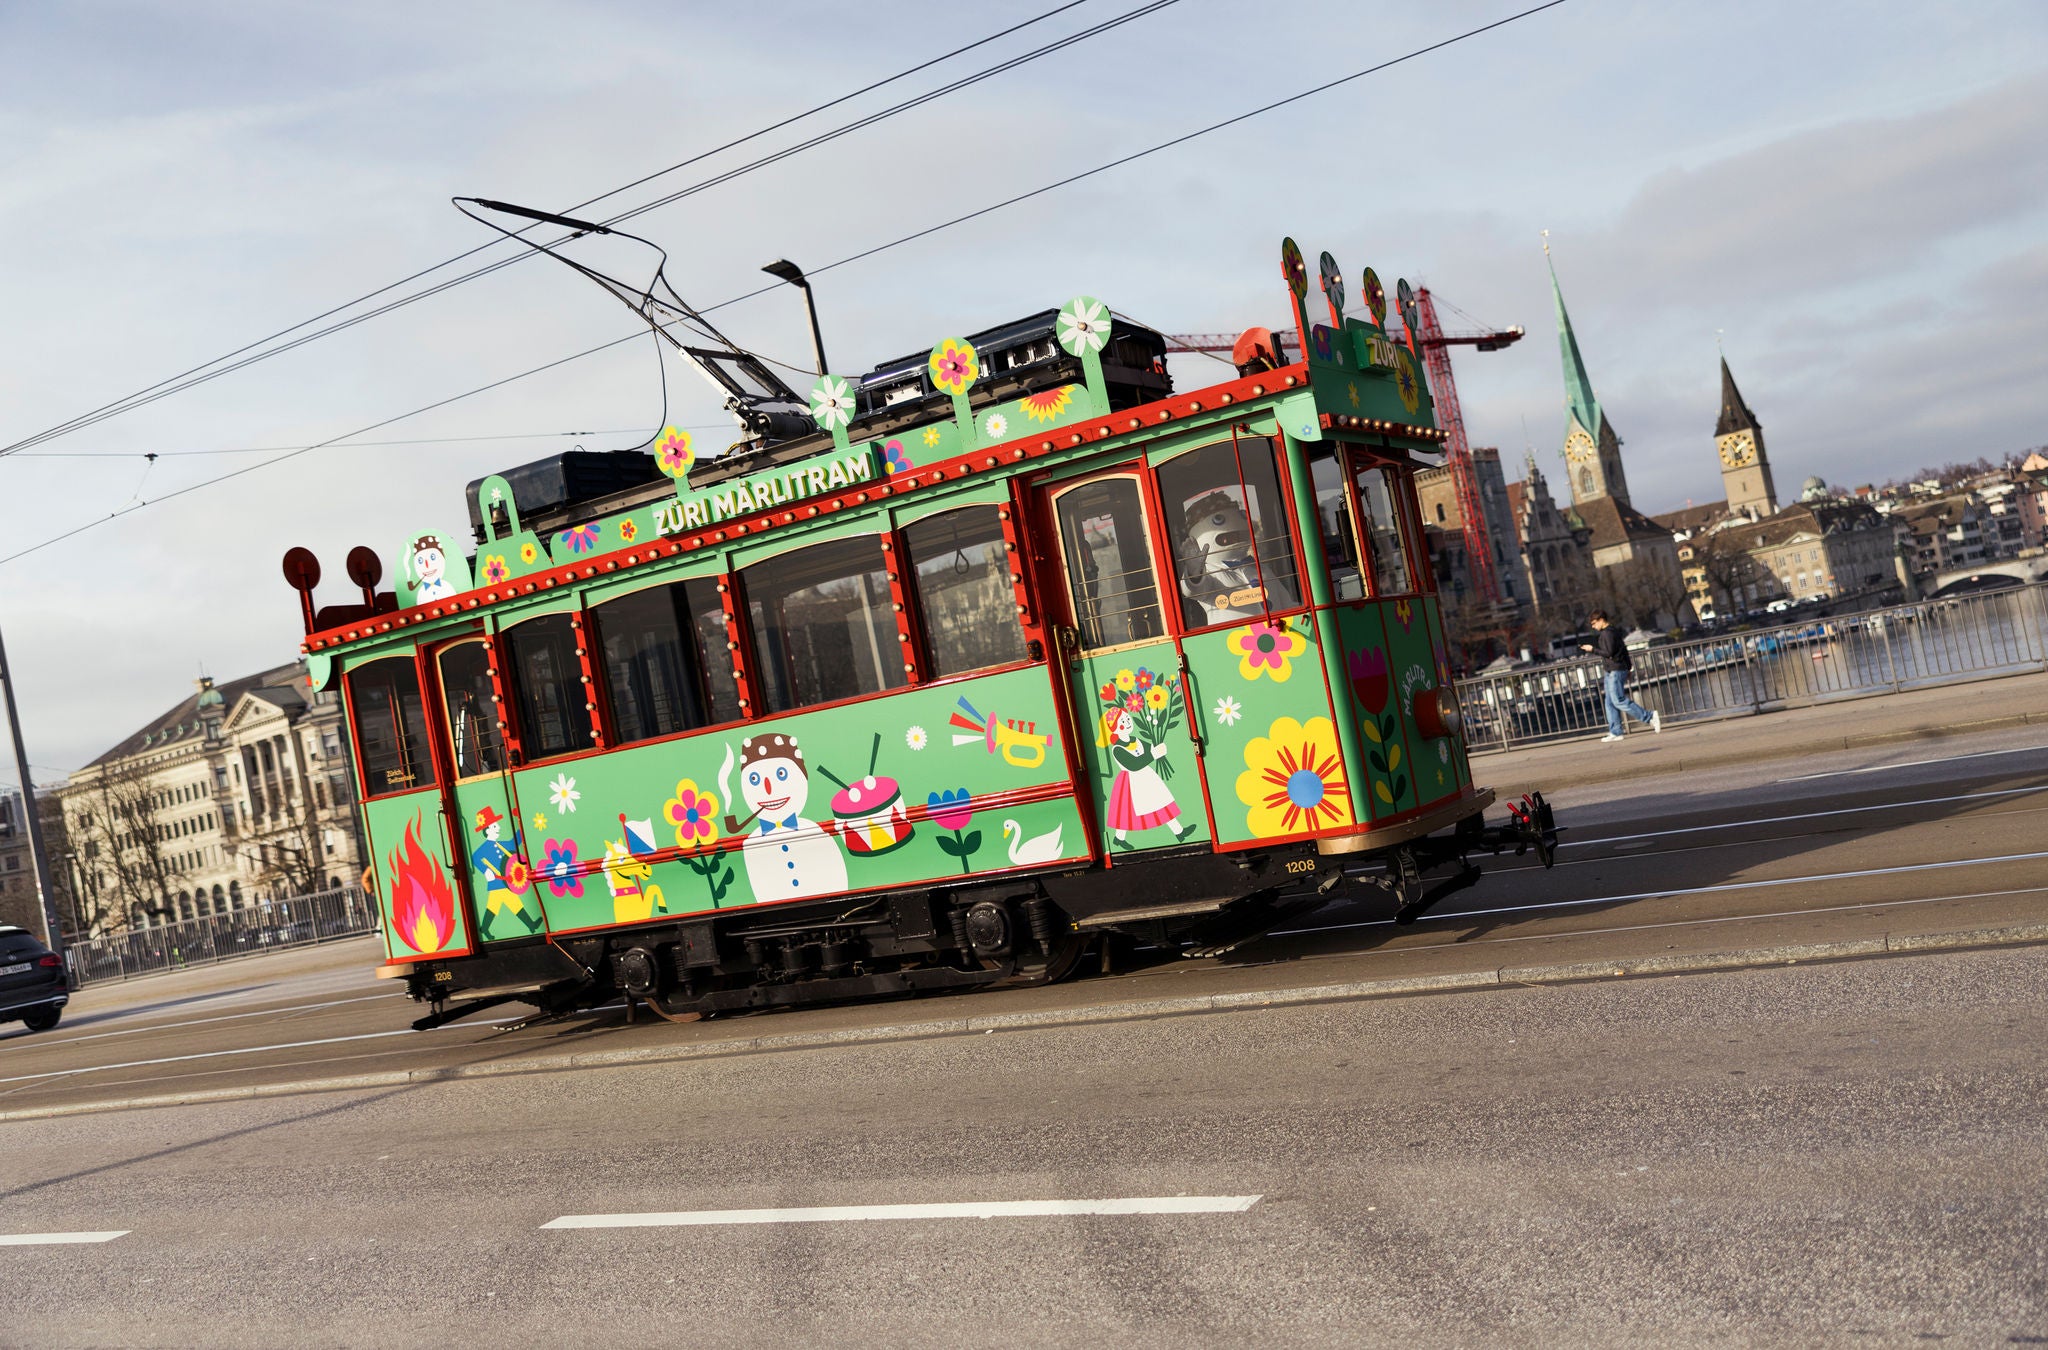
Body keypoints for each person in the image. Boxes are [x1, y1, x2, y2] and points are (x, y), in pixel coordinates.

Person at [1579, 612, 1660, 743]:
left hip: (1615, 670)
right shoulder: (1613, 631)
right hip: (1612, 670)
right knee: (1609, 702)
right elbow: (1623, 650)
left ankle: (1649, 716)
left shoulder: (1607, 633)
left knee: (1618, 700)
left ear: (1601, 620)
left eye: (1594, 623)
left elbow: (1609, 653)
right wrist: (1628, 667)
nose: (1593, 626)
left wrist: (1592, 649)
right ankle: (1616, 732)